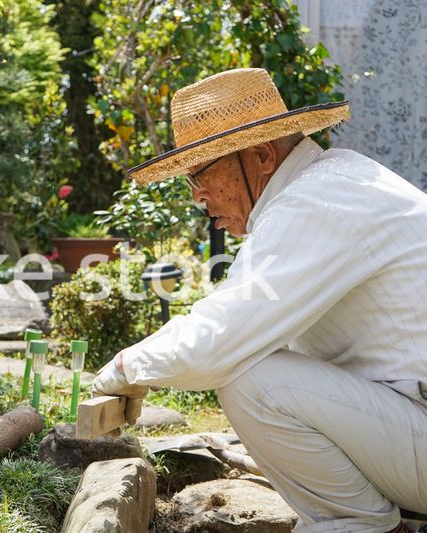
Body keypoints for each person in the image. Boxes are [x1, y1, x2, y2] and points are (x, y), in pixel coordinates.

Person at [91, 68, 427, 533]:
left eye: (200, 176)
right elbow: (241, 311)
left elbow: (222, 335)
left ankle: (363, 525)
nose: (200, 199)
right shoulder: (333, 182)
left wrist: (127, 368)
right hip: (413, 420)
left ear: (262, 155)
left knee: (251, 377)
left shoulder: (317, 202)